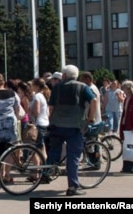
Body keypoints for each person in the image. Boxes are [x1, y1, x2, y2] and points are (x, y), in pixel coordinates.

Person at [45, 65, 98, 196]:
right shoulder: (82, 87)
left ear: (63, 76)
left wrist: (51, 119)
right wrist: (90, 118)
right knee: (73, 157)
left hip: (57, 125)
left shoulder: (57, 87)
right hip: (75, 126)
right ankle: (73, 186)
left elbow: (50, 107)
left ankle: (45, 173)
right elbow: (94, 100)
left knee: (54, 150)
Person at [29, 77, 51, 159]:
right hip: (45, 122)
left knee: (39, 147)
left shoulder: (37, 96)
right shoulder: (43, 95)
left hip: (39, 123)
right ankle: (43, 165)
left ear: (37, 86)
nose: (31, 87)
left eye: (33, 85)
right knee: (42, 146)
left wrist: (31, 111)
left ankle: (41, 166)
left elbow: (37, 111)